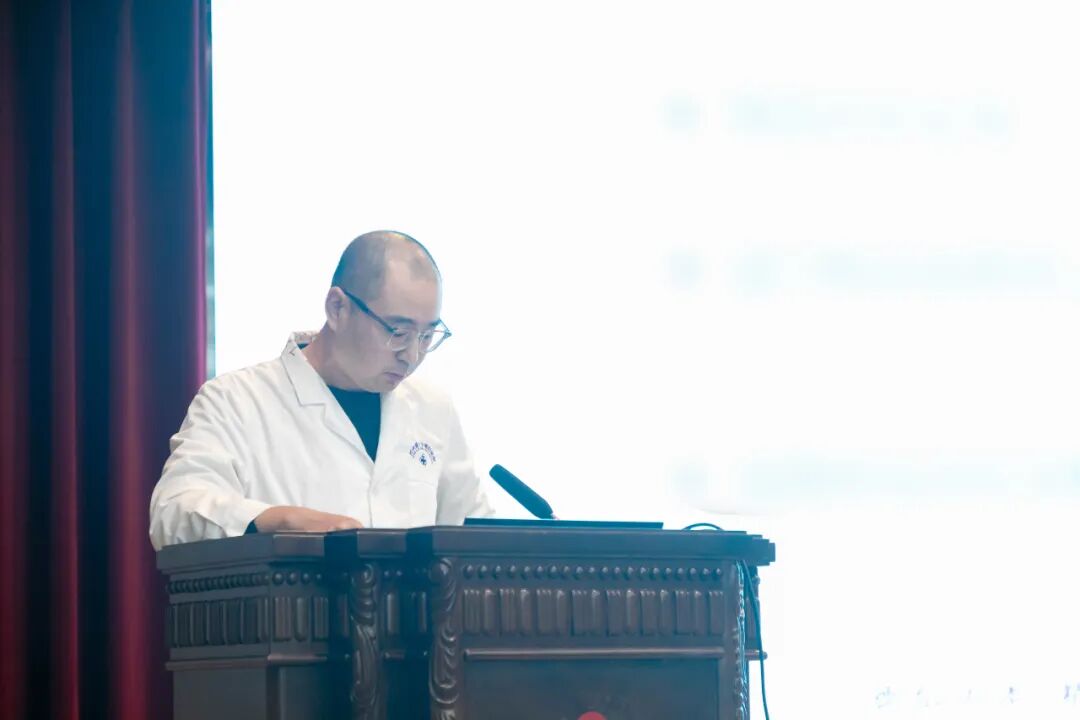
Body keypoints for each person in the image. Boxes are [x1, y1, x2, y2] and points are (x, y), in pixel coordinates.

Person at [149, 230, 493, 549]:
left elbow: (478, 534)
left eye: (427, 336)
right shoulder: (235, 400)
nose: (412, 355)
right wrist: (278, 520)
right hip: (289, 597)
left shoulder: (433, 408)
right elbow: (173, 512)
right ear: (337, 308)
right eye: (398, 333)